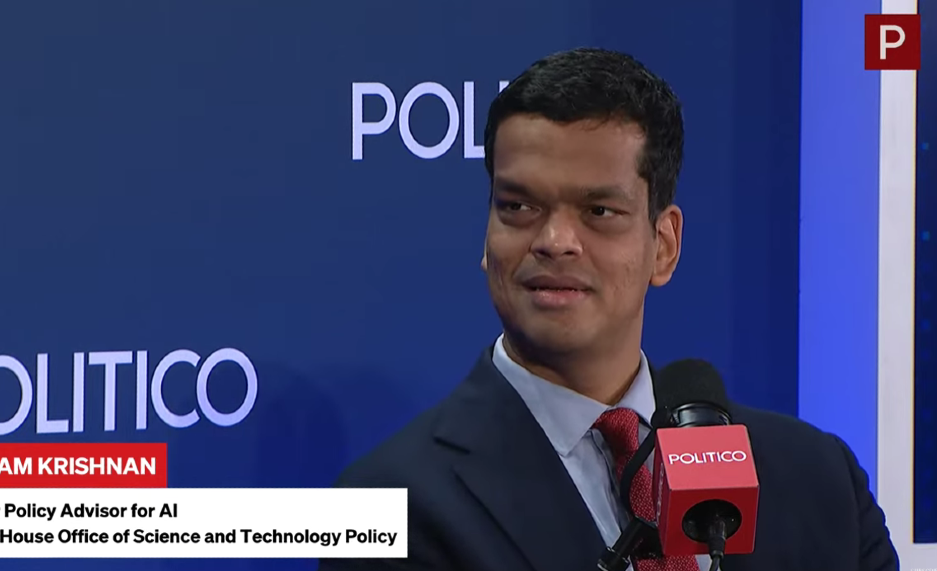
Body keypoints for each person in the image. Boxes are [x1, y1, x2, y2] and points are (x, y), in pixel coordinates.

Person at [319, 48, 899, 571]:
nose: (554, 241)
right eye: (518, 206)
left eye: (598, 212)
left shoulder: (818, 479)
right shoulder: (386, 507)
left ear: (663, 246)